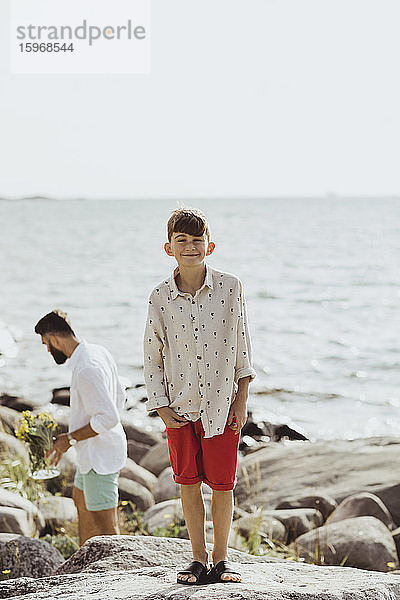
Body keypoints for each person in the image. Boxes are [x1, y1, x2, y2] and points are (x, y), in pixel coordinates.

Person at [144, 207, 256, 584]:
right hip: (179, 406)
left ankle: (222, 560)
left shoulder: (231, 287)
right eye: (182, 241)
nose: (190, 247)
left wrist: (241, 399)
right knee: (187, 484)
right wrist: (160, 406)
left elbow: (243, 347)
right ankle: (197, 558)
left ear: (209, 245)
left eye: (196, 241)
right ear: (168, 248)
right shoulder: (159, 297)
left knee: (223, 486)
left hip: (222, 405)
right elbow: (152, 353)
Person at [34, 310, 127, 545]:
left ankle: (116, 575)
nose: (47, 350)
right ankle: (86, 563)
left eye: (46, 344)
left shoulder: (87, 368)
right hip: (91, 453)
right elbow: (120, 394)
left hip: (100, 456)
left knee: (107, 526)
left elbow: (107, 418)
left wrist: (70, 439)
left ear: (54, 339)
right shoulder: (96, 352)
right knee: (80, 500)